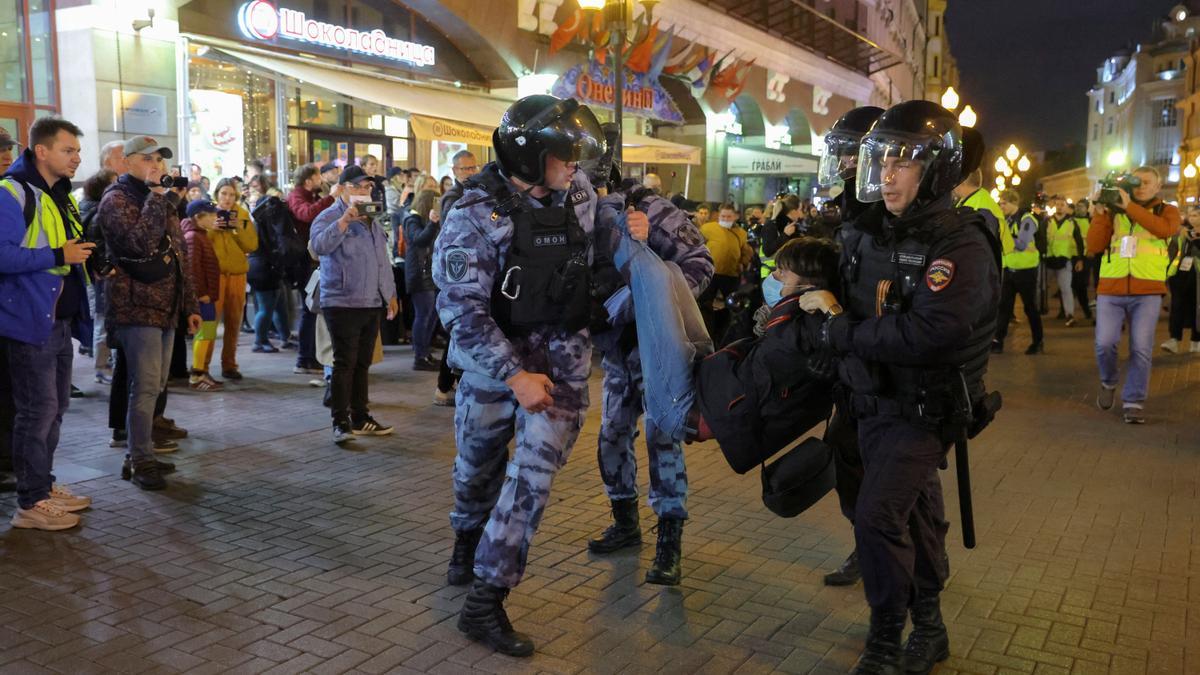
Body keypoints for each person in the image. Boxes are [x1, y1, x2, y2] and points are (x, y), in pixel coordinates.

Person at [797, 100, 1001, 674]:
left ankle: (885, 638)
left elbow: (933, 332)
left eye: (903, 161)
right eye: (881, 159)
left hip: (923, 410)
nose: (886, 174)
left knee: (878, 516)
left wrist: (845, 332)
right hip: (869, 401)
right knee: (912, 516)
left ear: (934, 170)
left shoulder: (960, 242)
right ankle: (930, 627)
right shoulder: (869, 234)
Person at [433, 95, 608, 657]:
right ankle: (466, 539)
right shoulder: (473, 216)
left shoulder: (578, 194)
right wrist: (513, 375)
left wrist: (634, 220)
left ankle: (485, 601)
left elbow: (603, 223)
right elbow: (461, 311)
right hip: (493, 367)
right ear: (530, 157)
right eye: (565, 155)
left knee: (530, 478)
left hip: (561, 368)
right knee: (476, 469)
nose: (575, 165)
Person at [587, 178, 714, 586]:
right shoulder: (576, 207)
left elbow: (699, 263)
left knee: (663, 440)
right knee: (611, 436)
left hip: (657, 347)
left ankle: (669, 542)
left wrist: (650, 290)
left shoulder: (651, 207)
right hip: (615, 351)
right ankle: (625, 522)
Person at [0, 116, 96, 529]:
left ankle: (42, 483)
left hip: (58, 318)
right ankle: (30, 502)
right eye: (68, 150)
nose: (77, 158)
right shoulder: (11, 192)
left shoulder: (58, 193)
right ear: (42, 151)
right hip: (29, 320)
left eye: (77, 150)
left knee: (54, 409)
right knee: (36, 412)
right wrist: (59, 256)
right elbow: (3, 256)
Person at [98, 136, 200, 490]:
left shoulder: (158, 200)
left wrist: (189, 305)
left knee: (155, 386)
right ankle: (140, 459)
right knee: (143, 387)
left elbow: (178, 257)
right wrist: (159, 199)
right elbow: (139, 243)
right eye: (148, 159)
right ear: (126, 163)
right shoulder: (117, 200)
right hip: (136, 307)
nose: (156, 165)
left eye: (159, 159)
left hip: (166, 307)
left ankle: (140, 455)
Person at [811, 104, 886, 588]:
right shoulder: (855, 220)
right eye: (840, 158)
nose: (842, 168)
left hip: (890, 378)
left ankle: (914, 582)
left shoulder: (896, 223)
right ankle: (867, 545)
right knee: (847, 457)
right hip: (853, 369)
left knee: (899, 486)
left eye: (851, 157)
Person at [310, 164, 398, 444]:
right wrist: (344, 222)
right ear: (344, 189)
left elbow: (382, 261)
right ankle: (340, 422)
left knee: (363, 363)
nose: (364, 191)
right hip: (341, 300)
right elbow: (318, 247)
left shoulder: (372, 218)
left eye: (368, 187)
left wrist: (390, 294)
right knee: (344, 363)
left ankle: (361, 417)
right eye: (358, 186)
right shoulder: (328, 216)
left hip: (370, 301)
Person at [1087, 166, 1181, 424]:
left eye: (1147, 182)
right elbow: (1094, 245)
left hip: (1148, 290)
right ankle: (1108, 382)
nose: (1141, 186)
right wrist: (1099, 213)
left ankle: (1134, 400)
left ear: (1158, 187)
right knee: (1104, 343)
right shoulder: (1114, 210)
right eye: (1136, 181)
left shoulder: (1167, 211)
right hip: (1110, 288)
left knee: (1141, 347)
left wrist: (1128, 206)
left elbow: (1164, 230)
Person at [194, 178, 257, 383]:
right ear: (217, 194)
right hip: (215, 277)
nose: (228, 199)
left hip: (238, 276)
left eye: (231, 195)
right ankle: (201, 368)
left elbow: (251, 245)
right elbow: (198, 241)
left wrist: (237, 228)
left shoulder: (243, 214)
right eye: (224, 194)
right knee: (210, 323)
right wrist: (214, 228)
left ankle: (229, 364)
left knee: (234, 322)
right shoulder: (207, 213)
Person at [433, 150, 479, 405]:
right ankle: (446, 386)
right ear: (454, 171)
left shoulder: (477, 194)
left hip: (471, 271)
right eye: (465, 169)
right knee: (458, 331)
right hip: (457, 273)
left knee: (460, 333)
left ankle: (447, 385)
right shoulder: (454, 197)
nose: (470, 173)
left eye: (473, 168)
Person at [287, 164, 336, 374]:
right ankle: (305, 358)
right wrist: (330, 198)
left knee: (313, 308)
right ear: (308, 180)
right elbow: (305, 214)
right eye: (317, 177)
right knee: (310, 308)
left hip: (310, 259)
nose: (321, 180)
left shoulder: (313, 194)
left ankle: (310, 356)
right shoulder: (297, 196)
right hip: (303, 261)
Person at [993, 189, 1044, 354]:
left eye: (1003, 203)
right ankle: (998, 340)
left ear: (1013, 203)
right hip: (1008, 269)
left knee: (1030, 308)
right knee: (1004, 307)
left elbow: (1022, 244)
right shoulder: (1006, 219)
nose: (1000, 206)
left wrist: (1002, 238)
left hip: (1026, 270)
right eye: (1000, 203)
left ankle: (1038, 341)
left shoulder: (1027, 219)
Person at [80, 169, 118, 385]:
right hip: (103, 276)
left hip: (99, 276)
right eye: (113, 184)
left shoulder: (90, 208)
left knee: (103, 321)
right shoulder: (98, 214)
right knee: (103, 321)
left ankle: (104, 365)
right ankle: (102, 367)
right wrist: (107, 268)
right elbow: (100, 247)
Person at [181, 200, 224, 391]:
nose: (215, 217)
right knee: (202, 334)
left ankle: (200, 372)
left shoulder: (201, 235)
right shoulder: (193, 236)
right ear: (199, 217)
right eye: (211, 214)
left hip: (207, 295)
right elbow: (192, 269)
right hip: (202, 297)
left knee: (206, 334)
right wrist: (201, 293)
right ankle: (197, 375)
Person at [698, 202, 753, 345]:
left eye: (729, 216)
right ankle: (707, 333)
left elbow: (745, 251)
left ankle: (728, 334)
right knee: (705, 304)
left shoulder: (741, 233)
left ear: (734, 216)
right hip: (710, 273)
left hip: (731, 274)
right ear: (718, 215)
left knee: (732, 305)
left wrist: (744, 262)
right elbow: (698, 246)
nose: (726, 219)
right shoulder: (707, 228)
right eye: (723, 216)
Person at [403, 188, 442, 371]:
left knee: (431, 316)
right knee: (423, 315)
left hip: (430, 272)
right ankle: (420, 356)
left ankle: (425, 353)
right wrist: (433, 223)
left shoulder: (425, 221)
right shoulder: (413, 220)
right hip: (419, 273)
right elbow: (419, 240)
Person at [1045, 195, 1087, 326]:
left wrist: (1080, 259)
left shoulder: (1072, 223)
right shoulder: (1047, 221)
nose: (1059, 207)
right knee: (1040, 287)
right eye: (1057, 204)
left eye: (1062, 204)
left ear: (1067, 207)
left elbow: (1079, 241)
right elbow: (1040, 238)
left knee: (1066, 289)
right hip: (1048, 260)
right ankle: (1038, 309)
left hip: (1064, 260)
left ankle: (1070, 315)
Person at [1163, 206, 1200, 353]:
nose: (1193, 218)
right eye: (1191, 215)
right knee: (1177, 305)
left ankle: (1196, 341)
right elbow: (1172, 252)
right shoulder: (1181, 233)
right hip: (1180, 274)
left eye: (1196, 215)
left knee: (1197, 307)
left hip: (1198, 275)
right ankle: (1174, 339)